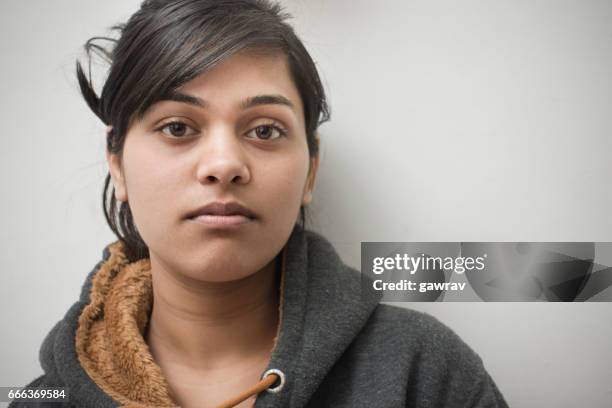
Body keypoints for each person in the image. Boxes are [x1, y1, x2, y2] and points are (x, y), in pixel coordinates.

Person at [11, 1, 509, 407]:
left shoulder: (425, 374)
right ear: (117, 163)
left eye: (265, 130)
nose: (224, 165)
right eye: (177, 127)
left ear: (311, 169)